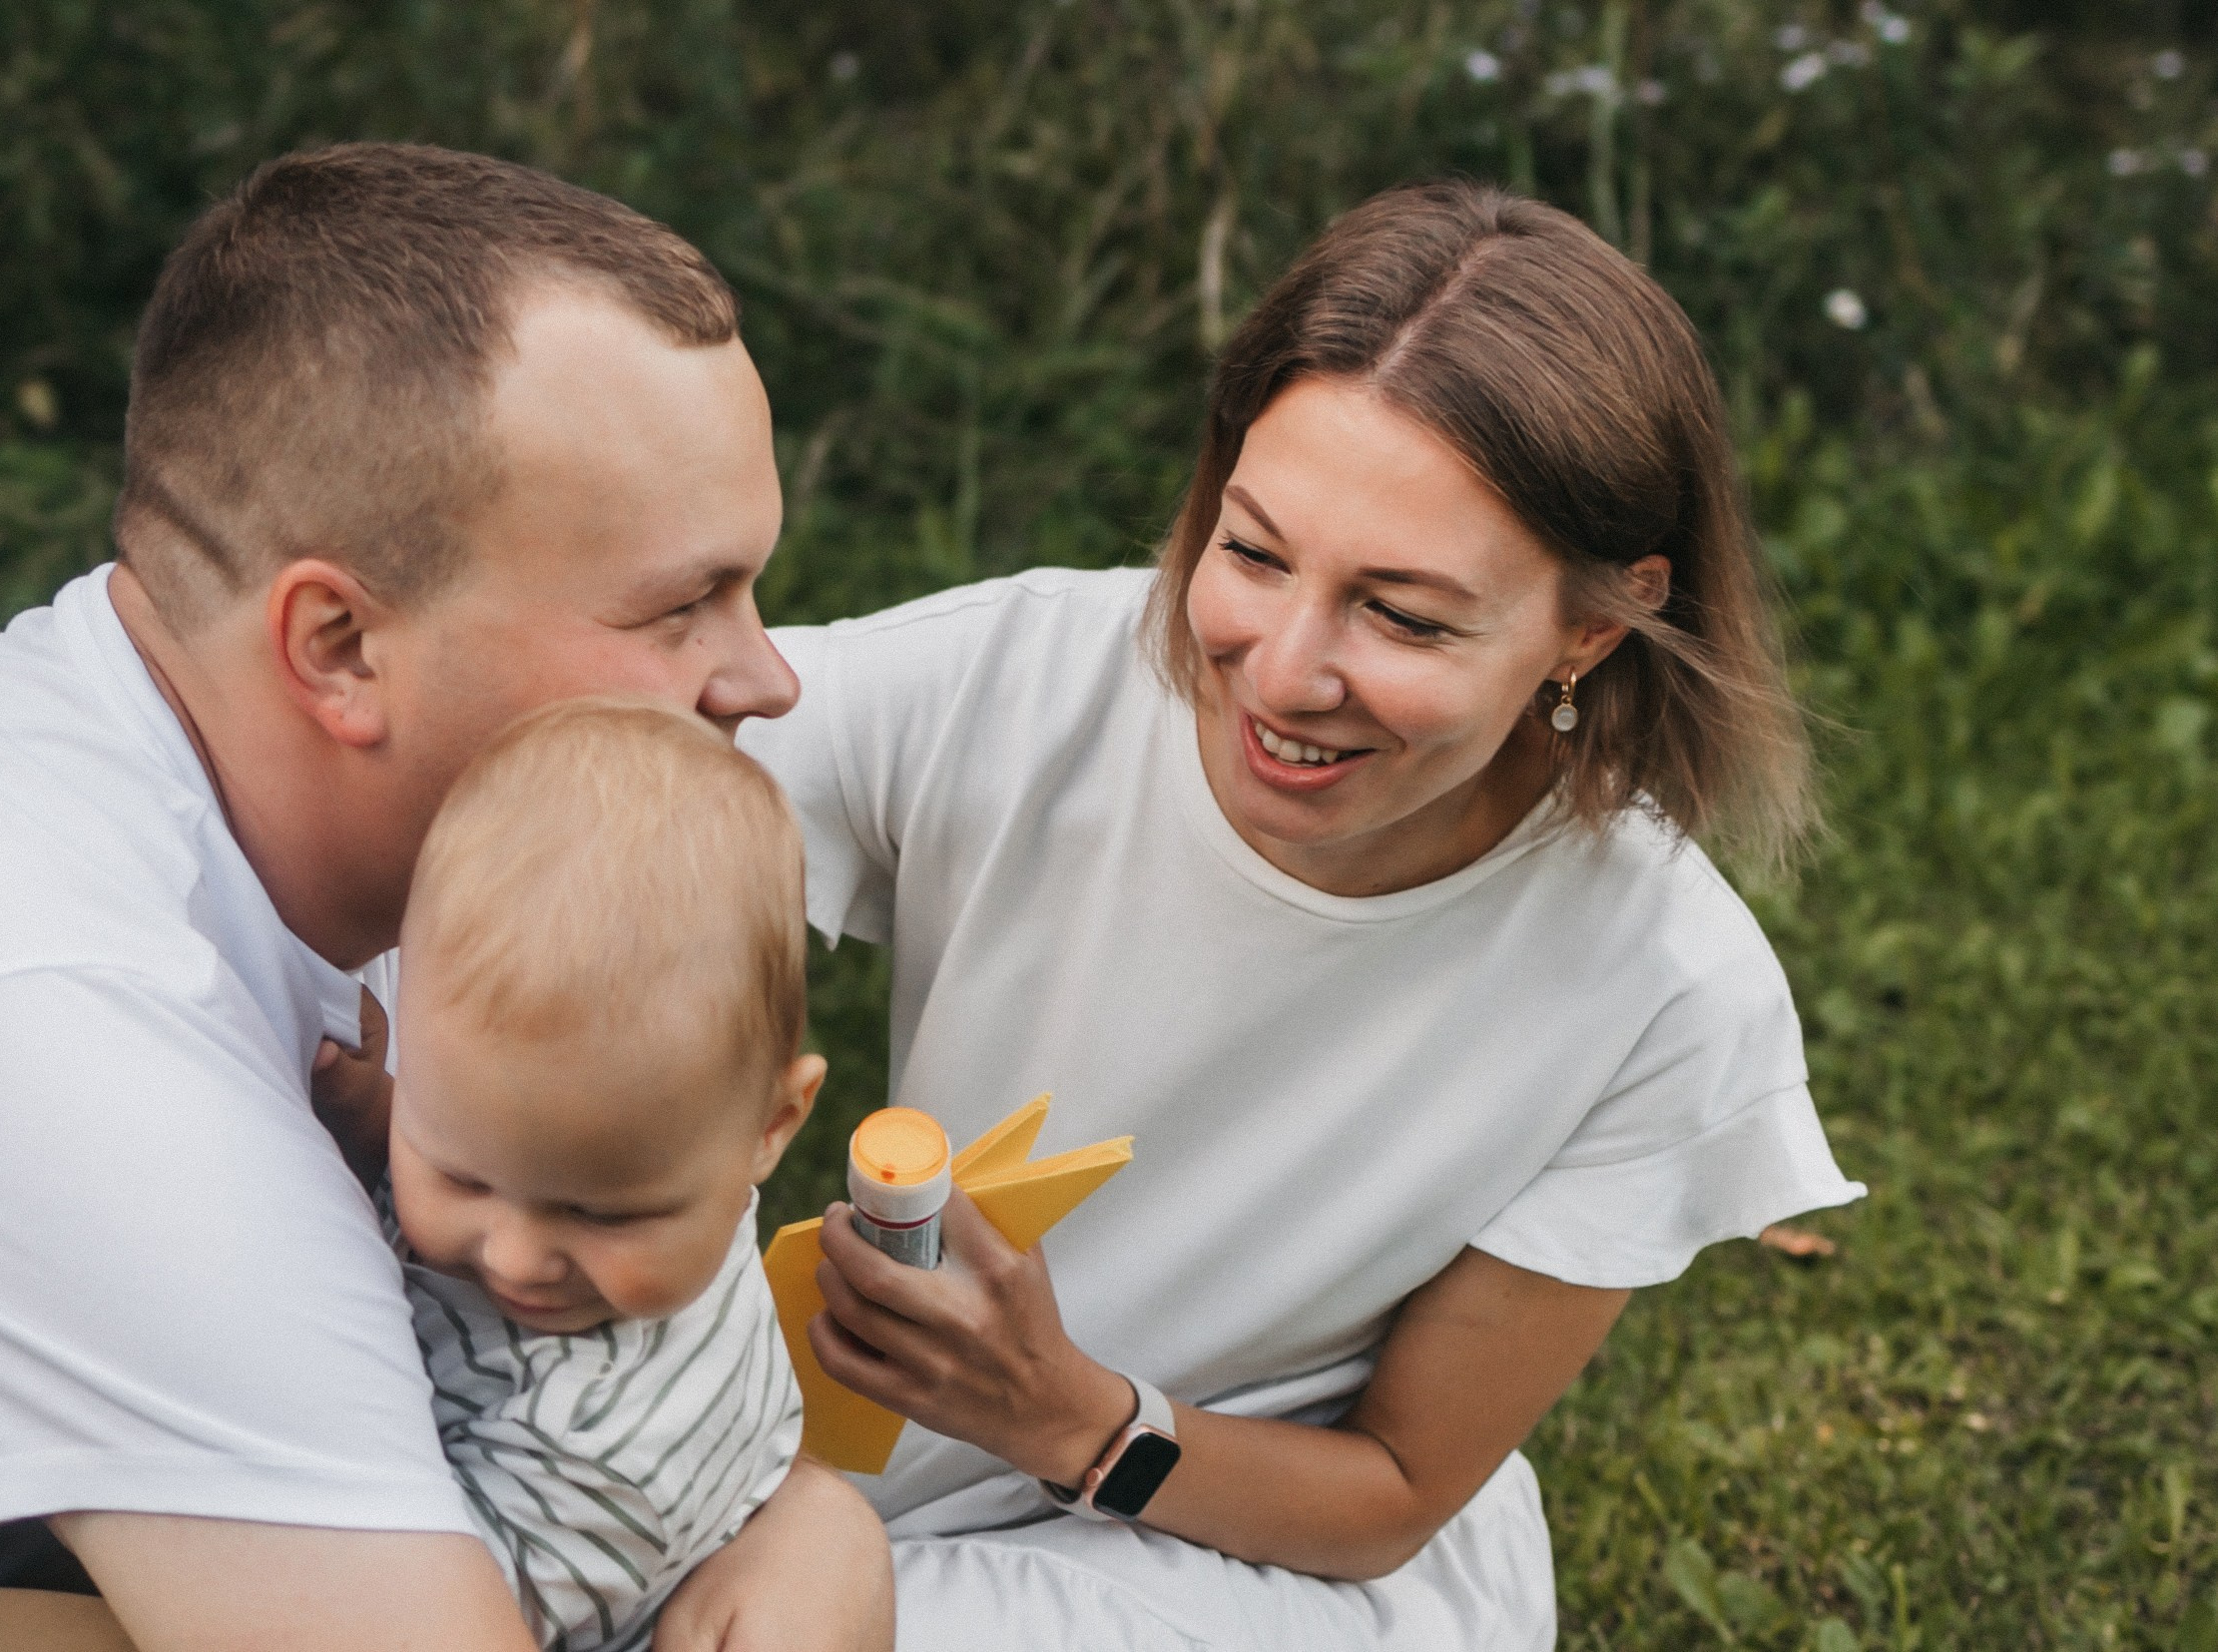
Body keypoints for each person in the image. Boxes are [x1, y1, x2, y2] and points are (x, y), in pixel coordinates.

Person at [0, 144, 889, 1652]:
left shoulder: (432, 861)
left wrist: (805, 1513)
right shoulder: (73, 1044)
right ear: (341, 644)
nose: (766, 674)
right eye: (680, 605)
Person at [737, 180, 1865, 1650]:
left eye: (1402, 615)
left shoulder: (1662, 990)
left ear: (1591, 622)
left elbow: (1390, 1487)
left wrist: (1069, 1413)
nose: (1279, 672)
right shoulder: (1018, 680)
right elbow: (586, 794)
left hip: (1259, 1566)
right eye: (1254, 551)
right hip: (867, 1493)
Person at [386, 697, 824, 1650]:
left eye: (600, 1214)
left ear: (771, 1125)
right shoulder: (609, 1135)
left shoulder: (617, 1447)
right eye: (460, 1174)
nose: (517, 1254)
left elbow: (412, 1614)